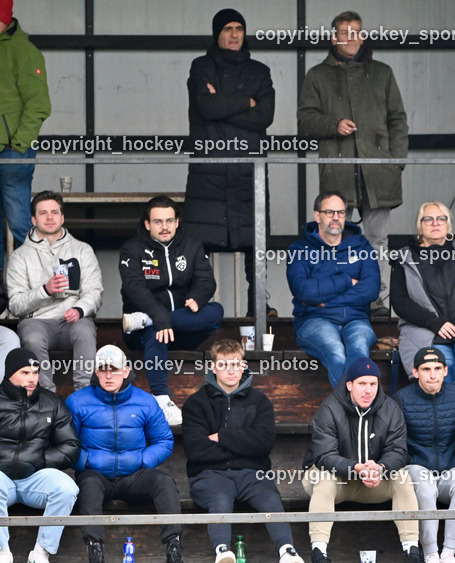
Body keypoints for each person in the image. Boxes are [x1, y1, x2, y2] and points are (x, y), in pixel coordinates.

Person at [297, 9, 408, 311]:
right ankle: (341, 297)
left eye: (357, 32)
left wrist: (396, 161)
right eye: (345, 33)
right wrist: (333, 124)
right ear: (334, 38)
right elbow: (305, 120)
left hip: (379, 172)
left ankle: (376, 300)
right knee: (335, 238)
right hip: (338, 173)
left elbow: (398, 119)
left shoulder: (382, 73)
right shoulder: (317, 75)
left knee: (377, 239)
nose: (352, 38)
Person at [182, 339, 305, 563]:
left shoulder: (260, 402)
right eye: (224, 364)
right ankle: (222, 553)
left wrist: (222, 437)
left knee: (270, 499)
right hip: (209, 476)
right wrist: (242, 443)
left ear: (243, 366)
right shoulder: (196, 403)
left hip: (252, 474)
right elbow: (196, 450)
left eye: (235, 364)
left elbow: (263, 444)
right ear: (214, 367)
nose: (230, 370)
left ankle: (287, 552)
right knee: (219, 498)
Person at [183, 8, 275, 317]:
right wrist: (245, 103)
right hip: (208, 172)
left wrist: (221, 103)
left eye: (238, 28)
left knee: (255, 243)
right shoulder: (201, 66)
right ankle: (195, 309)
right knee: (200, 245)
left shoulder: (260, 71)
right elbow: (205, 108)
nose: (234, 34)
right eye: (227, 29)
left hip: (248, 172)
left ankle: (258, 310)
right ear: (217, 34)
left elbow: (266, 115)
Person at [67, 345, 187, 563]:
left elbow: (164, 440)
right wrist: (88, 461)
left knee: (164, 483)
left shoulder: (145, 401)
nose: (108, 375)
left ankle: (174, 553)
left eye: (114, 369)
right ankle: (96, 555)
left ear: (126, 370)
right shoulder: (77, 401)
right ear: (96, 372)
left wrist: (143, 459)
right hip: (96, 475)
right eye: (103, 370)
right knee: (89, 486)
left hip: (134, 475)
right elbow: (67, 444)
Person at [302, 357, 428, 563]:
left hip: (373, 481)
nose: (368, 390)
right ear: (350, 385)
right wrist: (356, 468)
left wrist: (381, 468)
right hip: (338, 481)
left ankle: (412, 553)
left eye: (373, 384)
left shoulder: (390, 408)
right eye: (362, 384)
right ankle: (318, 556)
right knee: (324, 478)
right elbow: (323, 456)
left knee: (403, 479)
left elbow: (398, 451)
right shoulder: (330, 408)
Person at [119, 195, 224, 426]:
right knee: (154, 331)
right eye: (157, 222)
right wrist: (159, 318)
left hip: (180, 329)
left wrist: (198, 296)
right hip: (141, 335)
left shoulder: (191, 245)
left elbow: (206, 280)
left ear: (177, 222)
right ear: (147, 224)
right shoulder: (132, 249)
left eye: (169, 221)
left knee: (216, 311)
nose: (164, 227)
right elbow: (134, 288)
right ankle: (161, 398)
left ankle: (146, 320)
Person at [7, 190, 102, 391]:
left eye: (54, 212)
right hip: (37, 321)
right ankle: (46, 396)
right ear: (33, 219)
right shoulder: (20, 256)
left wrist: (80, 310)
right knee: (31, 336)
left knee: (85, 329)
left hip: (73, 320)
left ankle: (84, 392)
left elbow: (95, 291)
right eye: (43, 213)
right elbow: (15, 304)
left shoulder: (82, 249)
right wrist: (45, 290)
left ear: (62, 217)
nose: (49, 217)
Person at [391, 202, 455, 387]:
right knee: (439, 361)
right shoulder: (405, 258)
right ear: (419, 226)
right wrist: (434, 323)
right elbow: (399, 301)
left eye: (441, 219)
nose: (435, 223)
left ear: (448, 225)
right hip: (426, 330)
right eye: (428, 219)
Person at [393, 346, 455, 563]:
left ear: (446, 371)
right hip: (416, 465)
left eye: (437, 368)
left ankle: (449, 553)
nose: (432, 374)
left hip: (451, 466)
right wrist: (413, 460)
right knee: (426, 489)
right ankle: (430, 553)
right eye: (426, 369)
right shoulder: (401, 399)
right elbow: (397, 441)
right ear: (415, 371)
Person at [0, 349, 79, 563]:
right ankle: (2, 553)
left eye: (35, 372)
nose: (32, 378)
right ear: (10, 374)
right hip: (1, 477)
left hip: (34, 476)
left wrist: (41, 460)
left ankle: (40, 555)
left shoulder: (51, 402)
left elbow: (71, 445)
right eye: (25, 372)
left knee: (67, 489)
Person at [287, 191, 378, 388]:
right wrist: (347, 281)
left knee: (359, 355)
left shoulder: (362, 247)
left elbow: (371, 289)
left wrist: (326, 302)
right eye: (330, 212)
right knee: (336, 353)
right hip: (314, 321)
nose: (336, 217)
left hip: (356, 319)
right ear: (317, 215)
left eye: (341, 212)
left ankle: (354, 414)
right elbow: (304, 291)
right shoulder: (299, 250)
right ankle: (353, 415)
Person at [0, 2, 51, 269]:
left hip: (12, 152)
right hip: (12, 149)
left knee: (21, 224)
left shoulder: (24, 51)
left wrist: (18, 144)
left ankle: (37, 288)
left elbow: (39, 105)